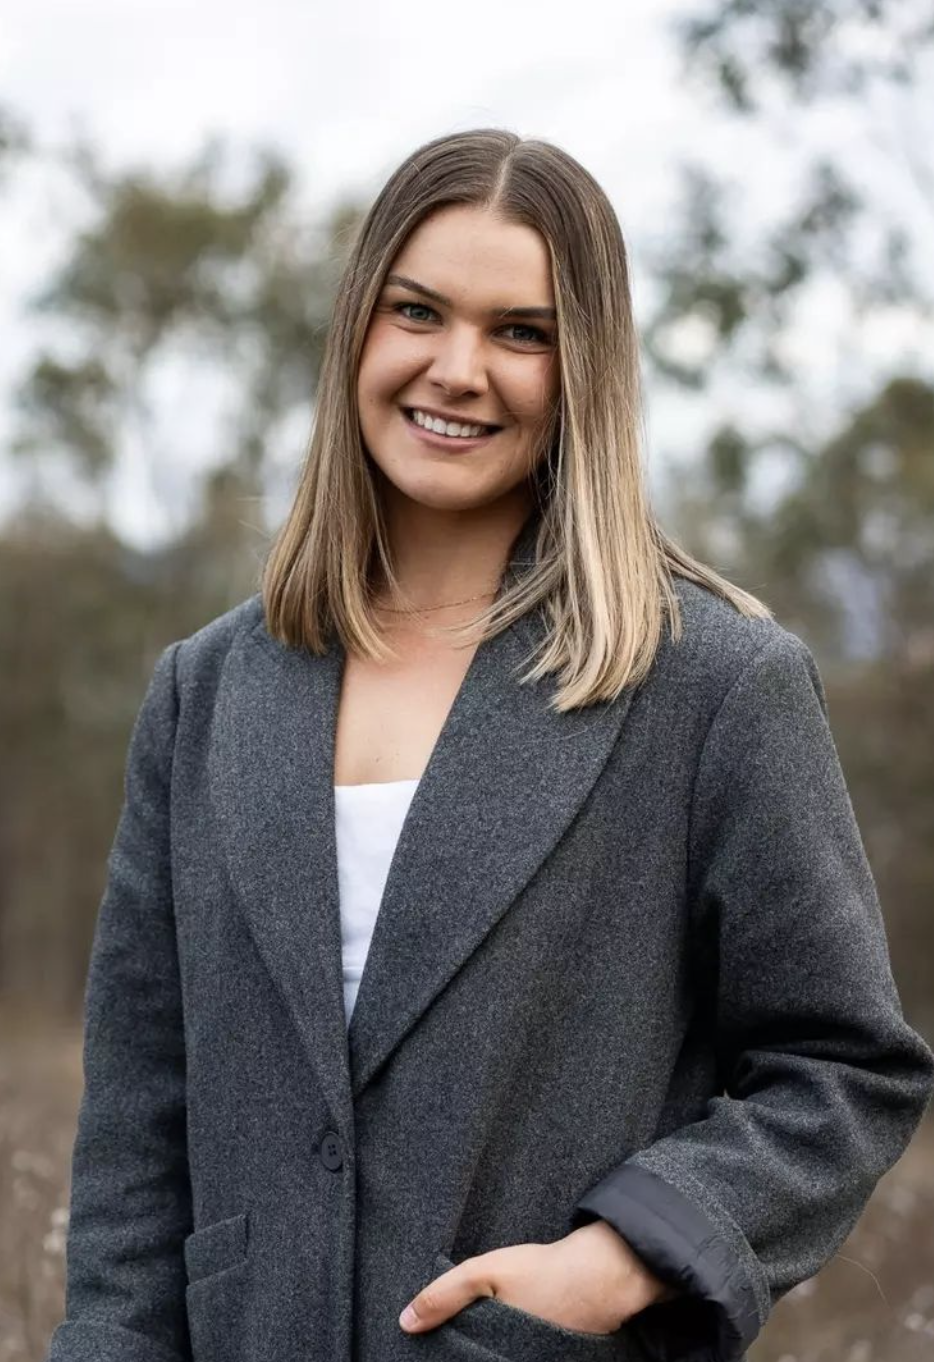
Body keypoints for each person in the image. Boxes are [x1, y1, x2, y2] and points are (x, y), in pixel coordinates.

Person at [47, 129, 933, 1362]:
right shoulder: (208, 694)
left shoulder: (713, 687)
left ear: (585, 373)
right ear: (358, 327)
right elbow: (140, 1126)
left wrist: (618, 1258)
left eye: (521, 331)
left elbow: (845, 1068)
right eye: (419, 311)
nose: (457, 368)